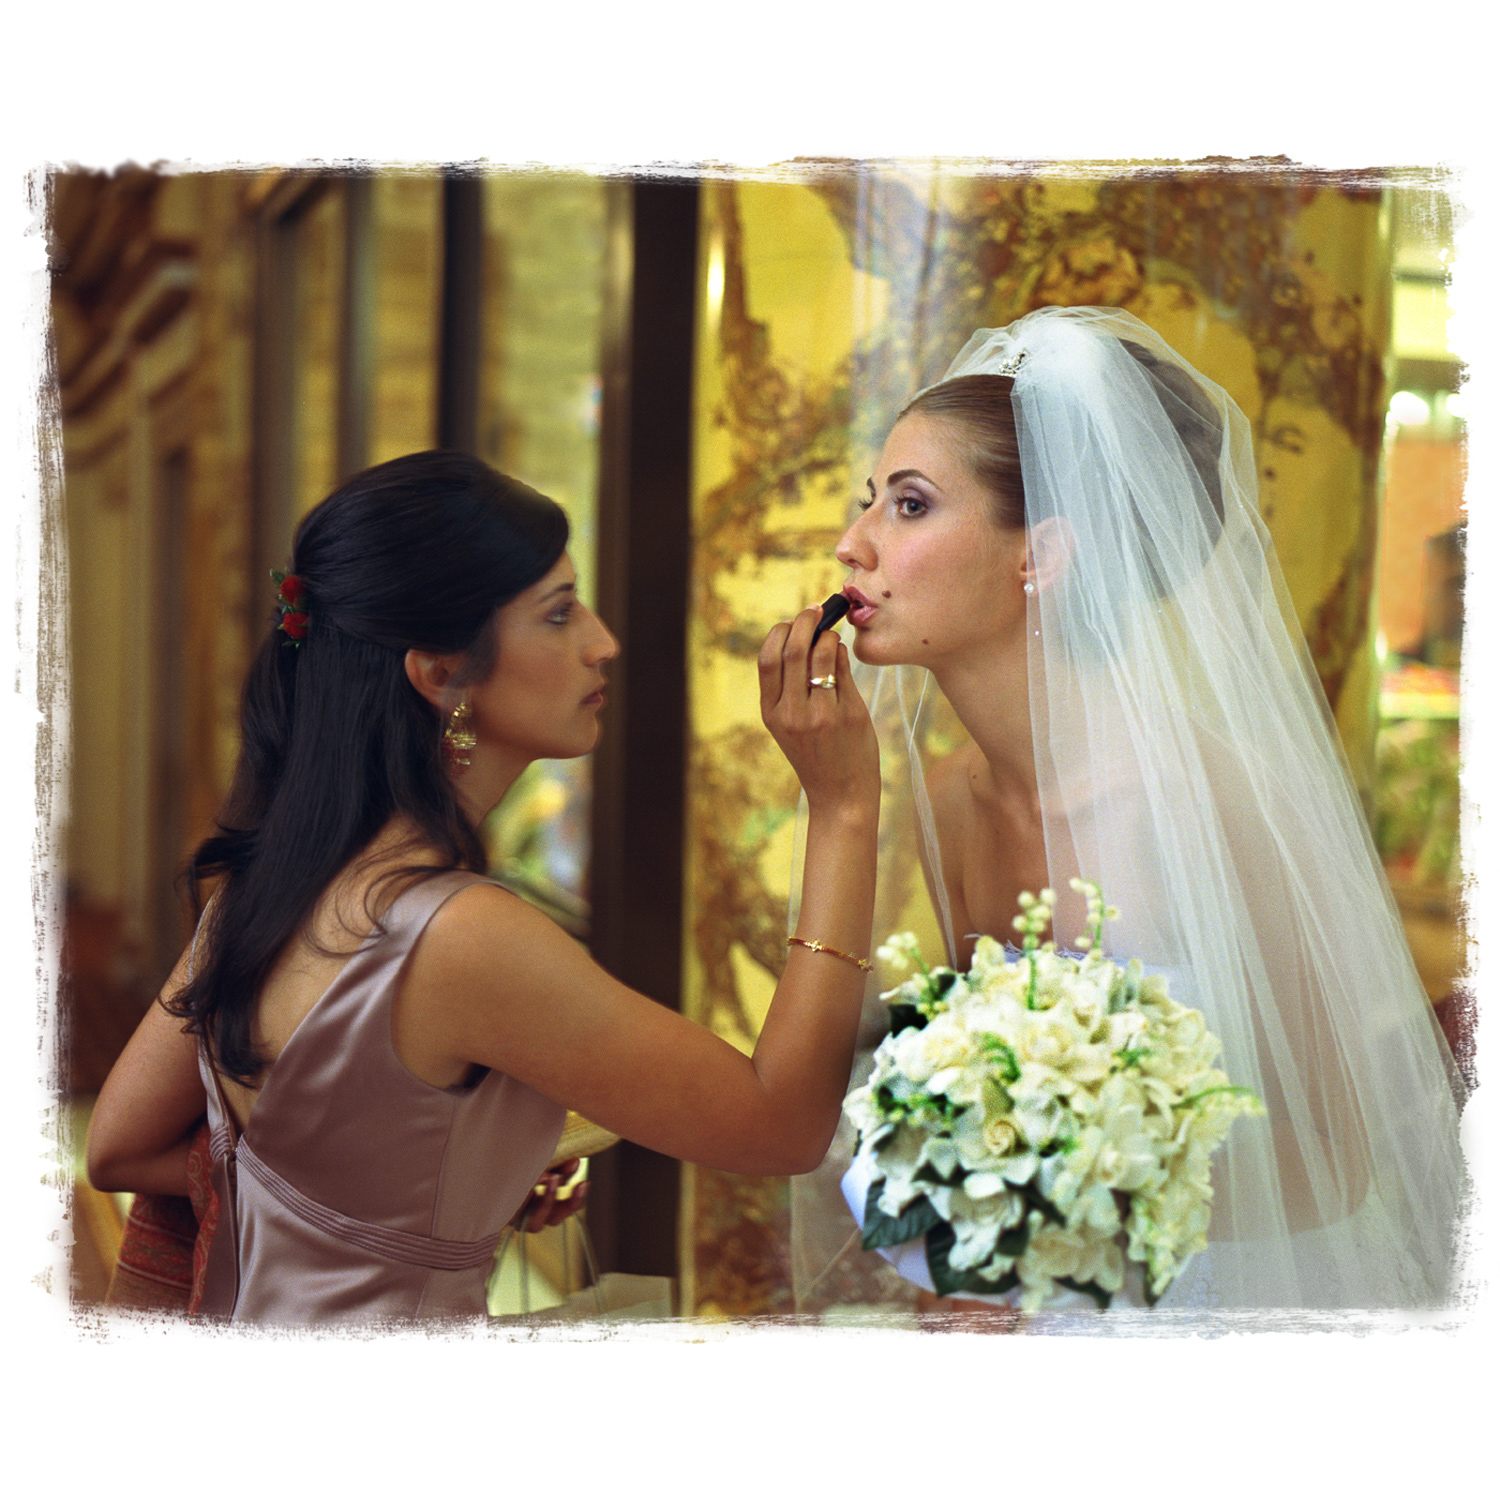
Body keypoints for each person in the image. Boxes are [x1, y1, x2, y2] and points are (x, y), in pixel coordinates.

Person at [87, 450, 879, 1325]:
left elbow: (120, 1147)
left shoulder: (268, 883)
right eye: (559, 613)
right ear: (439, 674)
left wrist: (408, 1192)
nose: (602, 641)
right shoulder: (459, 936)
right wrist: (843, 807)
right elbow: (781, 1127)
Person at [792, 306, 1467, 1324]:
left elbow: (1336, 1163)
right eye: (868, 504)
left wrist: (1066, 1196)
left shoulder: (1210, 803)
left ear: (1043, 555)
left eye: (909, 505)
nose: (853, 545)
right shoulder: (954, 802)